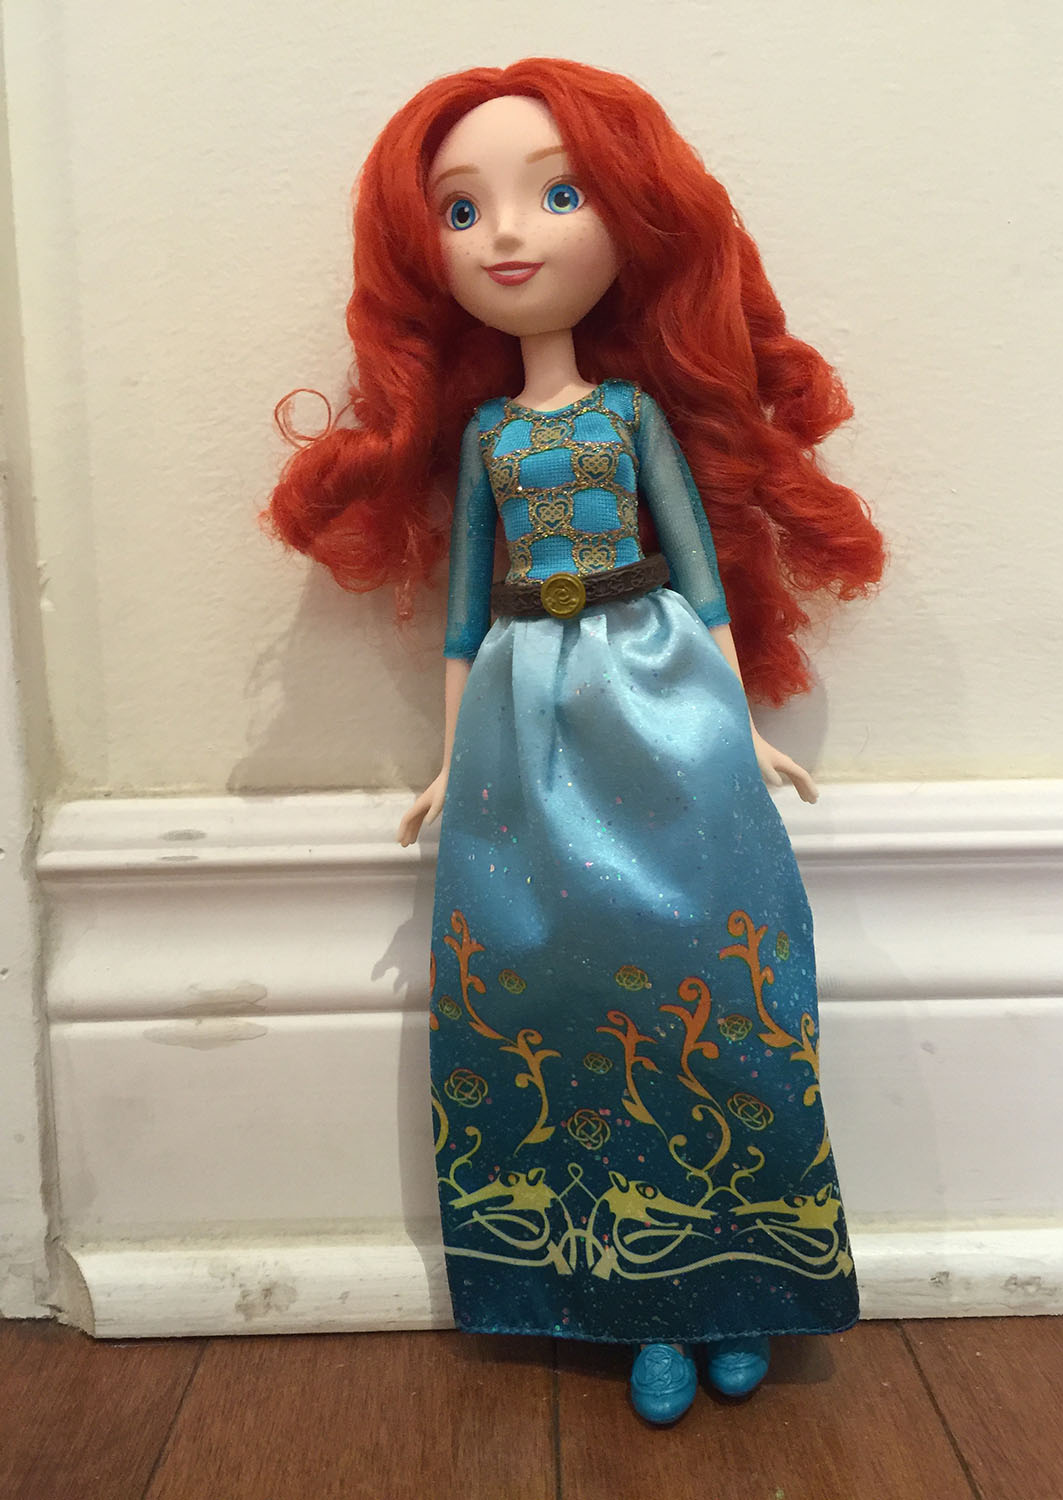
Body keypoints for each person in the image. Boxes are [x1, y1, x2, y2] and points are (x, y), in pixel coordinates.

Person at [266, 58, 883, 1426]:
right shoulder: (488, 436)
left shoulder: (629, 418)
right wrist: (449, 762)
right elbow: (462, 614)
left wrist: (740, 727)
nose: (509, 234)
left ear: (635, 222)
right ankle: (633, 1310)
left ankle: (742, 1292)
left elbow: (704, 580)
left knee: (714, 984)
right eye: (462, 209)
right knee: (559, 996)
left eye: (558, 195)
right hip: (521, 704)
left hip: (656, 679)